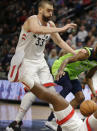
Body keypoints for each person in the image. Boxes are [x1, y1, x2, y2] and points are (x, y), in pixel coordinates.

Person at [6, 0, 77, 130]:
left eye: (52, 11)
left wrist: (75, 52)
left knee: (51, 93)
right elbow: (37, 30)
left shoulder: (50, 24)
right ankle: (16, 122)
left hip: (40, 61)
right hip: (25, 61)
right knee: (35, 92)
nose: (51, 13)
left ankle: (57, 122)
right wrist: (62, 28)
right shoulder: (32, 20)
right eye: (48, 10)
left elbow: (59, 42)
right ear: (40, 10)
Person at [46, 37, 97, 129]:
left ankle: (62, 118)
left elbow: (88, 77)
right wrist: (60, 71)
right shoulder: (86, 53)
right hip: (61, 66)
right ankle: (52, 117)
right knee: (67, 86)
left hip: (72, 74)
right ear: (96, 45)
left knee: (80, 97)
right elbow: (66, 60)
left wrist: (93, 92)